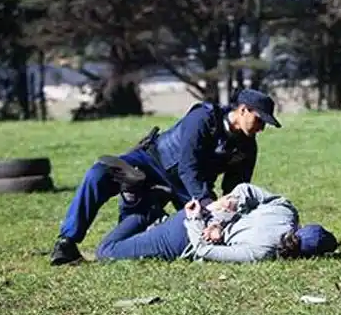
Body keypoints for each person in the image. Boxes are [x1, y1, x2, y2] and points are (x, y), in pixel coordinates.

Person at [50, 89, 283, 266]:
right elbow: (188, 165)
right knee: (99, 173)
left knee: (162, 228)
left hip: (185, 190)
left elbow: (236, 188)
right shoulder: (204, 118)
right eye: (259, 120)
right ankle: (66, 242)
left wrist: (223, 215)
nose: (261, 128)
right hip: (151, 163)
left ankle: (144, 212)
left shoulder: (247, 147)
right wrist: (205, 201)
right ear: (243, 110)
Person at [95, 183, 338, 262]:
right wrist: (196, 221)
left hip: (203, 214)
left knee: (138, 235)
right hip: (186, 232)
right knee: (107, 252)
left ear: (303, 226)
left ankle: (141, 205)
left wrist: (231, 202)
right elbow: (203, 249)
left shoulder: (286, 211)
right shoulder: (264, 252)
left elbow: (245, 189)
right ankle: (139, 207)